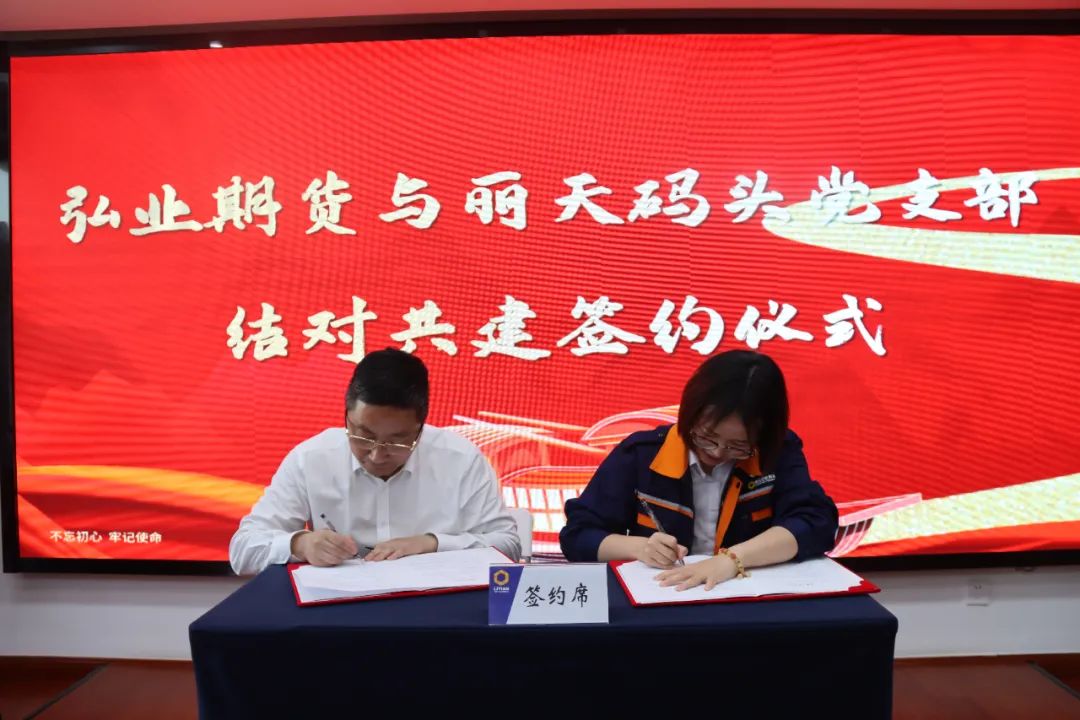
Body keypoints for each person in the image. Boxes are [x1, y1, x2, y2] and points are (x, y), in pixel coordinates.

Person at [559, 349, 837, 590]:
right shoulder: (641, 454)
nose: (717, 453)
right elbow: (578, 535)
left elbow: (816, 523)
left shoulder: (776, 452)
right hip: (665, 595)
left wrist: (732, 560)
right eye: (706, 437)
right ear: (689, 414)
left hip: (747, 597)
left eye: (737, 446)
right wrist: (640, 548)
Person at [229, 348, 520, 575]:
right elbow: (243, 550)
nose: (377, 455)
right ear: (346, 416)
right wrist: (300, 544)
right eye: (363, 436)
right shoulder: (311, 458)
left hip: (434, 610)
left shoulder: (461, 459)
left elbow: (508, 545)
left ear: (421, 428)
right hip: (339, 614)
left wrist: (432, 543)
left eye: (397, 441)